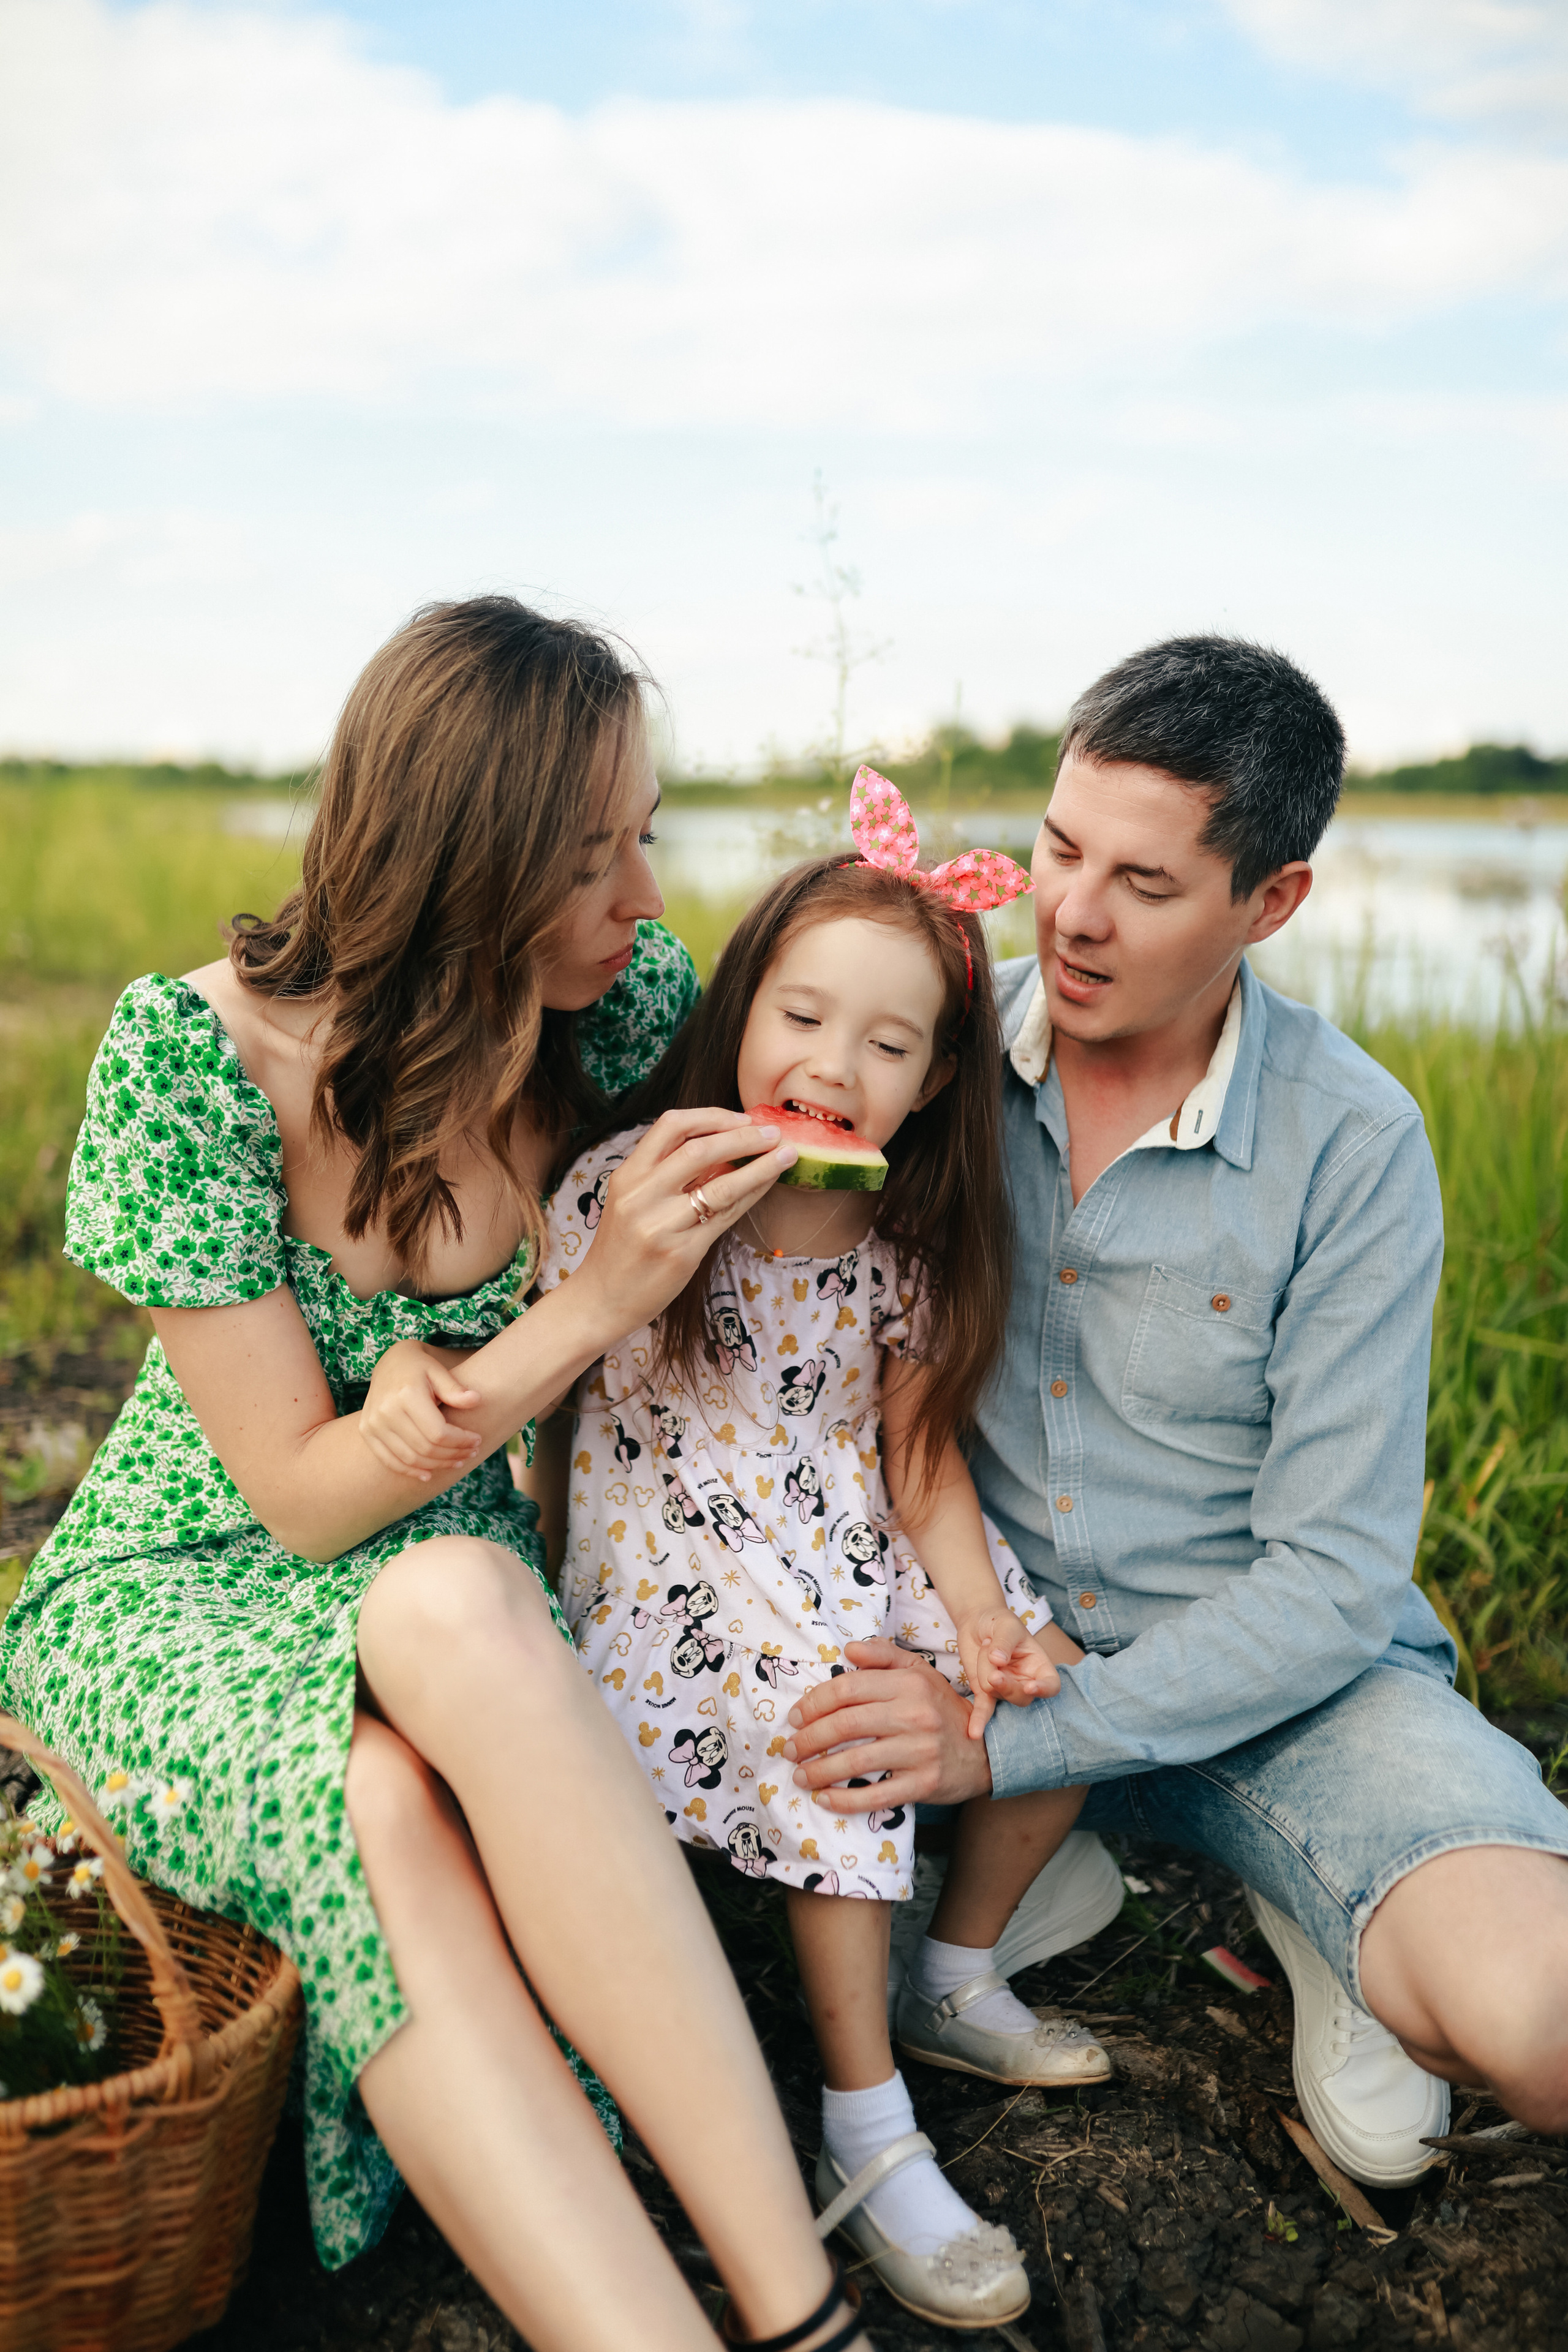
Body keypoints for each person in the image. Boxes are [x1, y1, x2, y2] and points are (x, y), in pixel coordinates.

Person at [0, 598, 871, 2352]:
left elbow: (835, 1129)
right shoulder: (196, 1064)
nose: (644, 896)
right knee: (389, 1788)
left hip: (446, 1577)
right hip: (185, 1582)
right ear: (470, 862)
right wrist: (584, 1307)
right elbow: (304, 1498)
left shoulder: (613, 1014)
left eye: (644, 837)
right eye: (594, 856)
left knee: (460, 1600)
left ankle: (795, 2301)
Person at [779, 636, 1568, 2190]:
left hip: (1282, 1689)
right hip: (982, 1638)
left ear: (1269, 902)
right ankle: (1042, 1873)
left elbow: (1331, 1580)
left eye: (1143, 883)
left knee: (1539, 2021)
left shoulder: (1352, 1142)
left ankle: (1324, 1909)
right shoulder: (917, 1050)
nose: (1070, 912)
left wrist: (1016, 1747)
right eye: (1060, 848)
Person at [366, 777, 1109, 2335]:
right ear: (740, 1009)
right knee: (842, 1710)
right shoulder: (627, 1186)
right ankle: (865, 2122)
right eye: (802, 1017)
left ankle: (950, 1971)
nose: (831, 1069)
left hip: (843, 1519)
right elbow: (543, 1382)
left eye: (887, 1046)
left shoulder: (905, 1248)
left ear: (934, 1081)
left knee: (1054, 1690)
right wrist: (431, 1386)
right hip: (673, 1544)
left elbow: (917, 1461)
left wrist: (982, 1617)